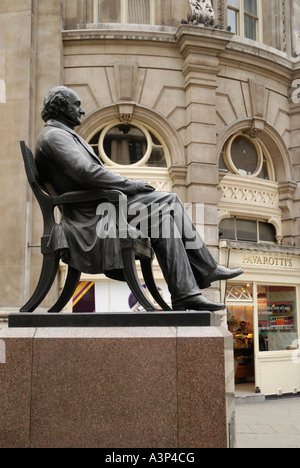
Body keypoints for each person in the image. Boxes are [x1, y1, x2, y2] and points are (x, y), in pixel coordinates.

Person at [35, 86, 243, 311]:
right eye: (76, 105)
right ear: (61, 106)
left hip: (100, 209)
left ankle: (185, 294)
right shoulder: (54, 136)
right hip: (89, 218)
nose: (82, 111)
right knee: (169, 200)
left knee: (164, 221)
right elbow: (87, 172)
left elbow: (87, 173)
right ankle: (207, 268)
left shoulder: (63, 135)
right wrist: (131, 185)